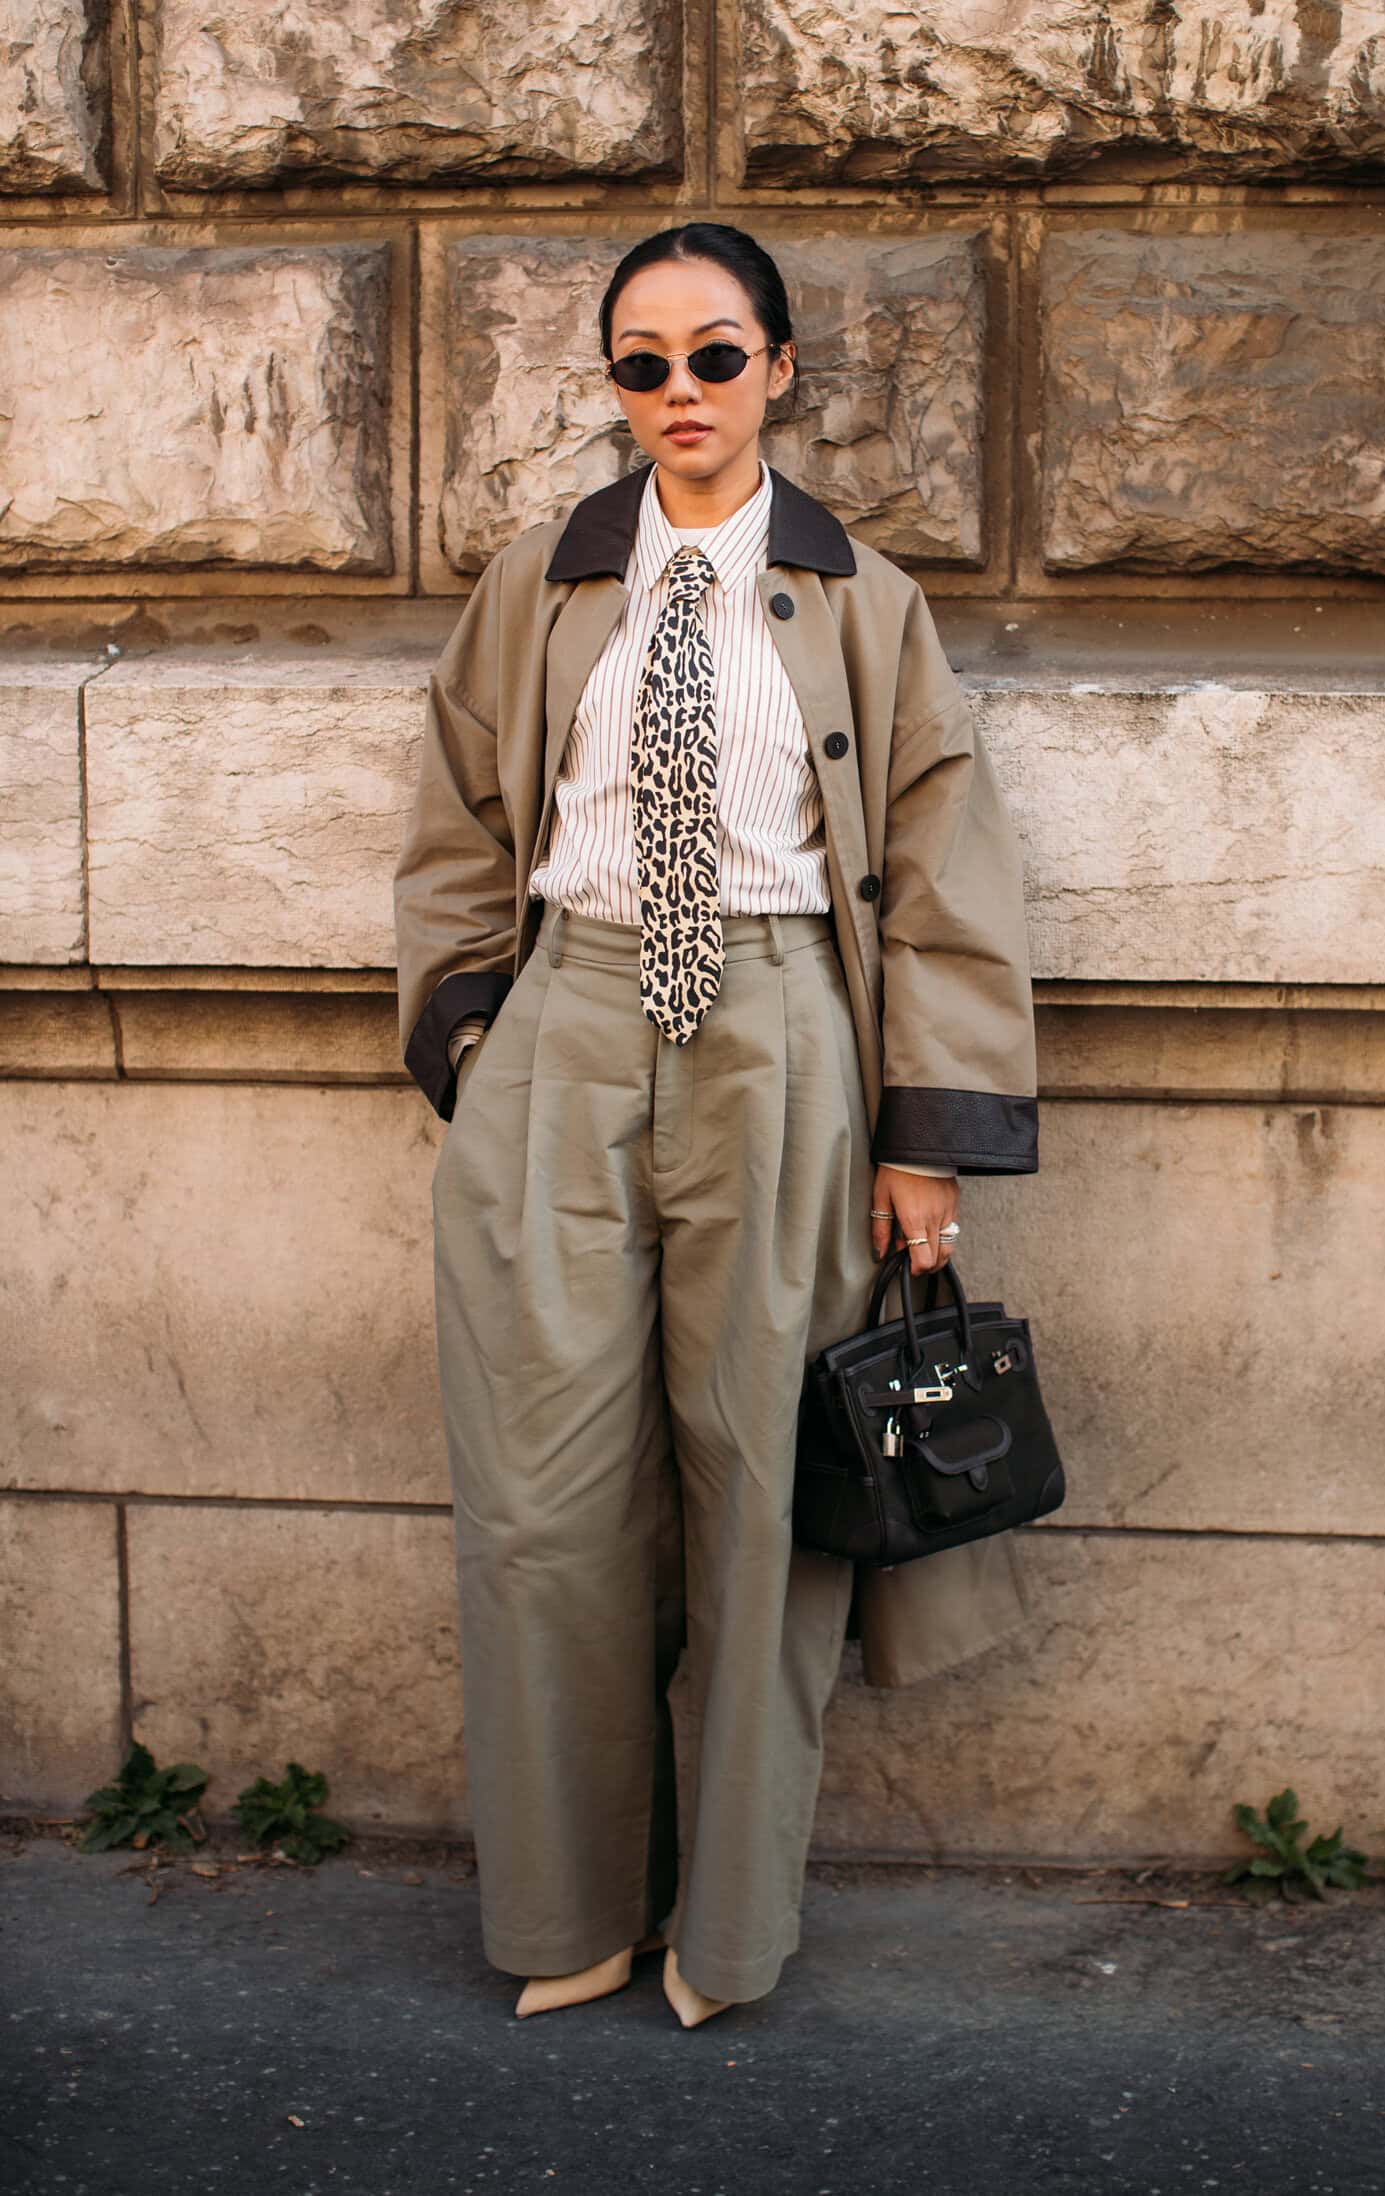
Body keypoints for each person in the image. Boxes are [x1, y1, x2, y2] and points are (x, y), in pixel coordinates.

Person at [393, 222, 1039, 2029]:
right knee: (541, 1500)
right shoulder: (541, 581)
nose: (681, 392)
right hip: (570, 1023)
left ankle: (727, 1932)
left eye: (717, 356)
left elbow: (941, 869)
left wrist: (926, 1136)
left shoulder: (859, 598)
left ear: (778, 372)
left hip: (779, 1036)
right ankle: (569, 1908)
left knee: (767, 1491)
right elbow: (458, 820)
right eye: (643, 363)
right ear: (613, 386)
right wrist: (474, 1036)